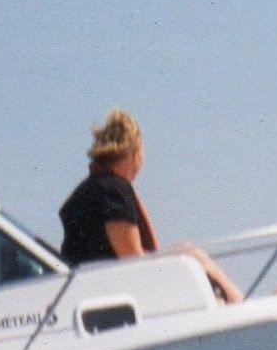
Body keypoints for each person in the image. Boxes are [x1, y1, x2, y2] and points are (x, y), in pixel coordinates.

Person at [57, 109, 243, 304]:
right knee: (191, 253)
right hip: (113, 286)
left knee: (185, 250)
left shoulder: (90, 189)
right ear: (134, 153)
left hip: (93, 283)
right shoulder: (113, 190)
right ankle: (241, 305)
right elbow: (133, 260)